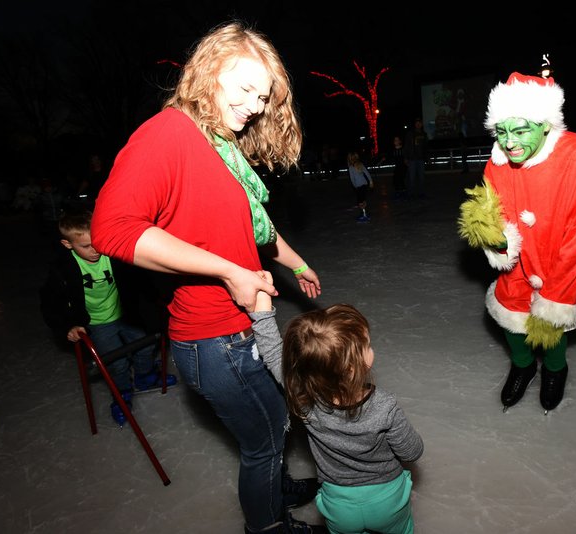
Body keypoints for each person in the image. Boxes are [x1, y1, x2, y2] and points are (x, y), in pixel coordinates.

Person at [90, 21, 324, 533]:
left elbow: (250, 225)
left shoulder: (221, 143)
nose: (256, 106)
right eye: (244, 89)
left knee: (276, 422)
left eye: (263, 96)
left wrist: (297, 263)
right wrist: (227, 271)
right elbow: (111, 230)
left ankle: (277, 489)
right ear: (209, 71)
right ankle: (268, 525)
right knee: (262, 441)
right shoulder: (170, 133)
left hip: (244, 326)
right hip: (214, 340)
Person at [457, 72, 576, 414]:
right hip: (522, 251)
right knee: (511, 307)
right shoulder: (497, 162)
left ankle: (556, 369)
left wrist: (557, 296)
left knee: (552, 317)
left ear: (545, 125)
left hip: (568, 249)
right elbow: (497, 214)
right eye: (503, 131)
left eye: (520, 130)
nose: (509, 142)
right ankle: (523, 365)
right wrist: (495, 238)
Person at [281, 304, 424, 534]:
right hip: (387, 501)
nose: (371, 348)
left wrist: (262, 315)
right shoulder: (384, 406)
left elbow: (274, 359)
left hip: (338, 503)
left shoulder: (305, 403)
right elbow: (412, 452)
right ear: (351, 368)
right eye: (366, 345)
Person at [39, 208, 178, 428]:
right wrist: (67, 325)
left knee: (145, 345)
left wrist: (156, 300)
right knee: (116, 362)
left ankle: (144, 376)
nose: (95, 249)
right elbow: (50, 303)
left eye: (98, 241)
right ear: (68, 245)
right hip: (96, 323)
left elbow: (140, 279)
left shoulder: (112, 254)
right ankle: (121, 393)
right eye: (85, 246)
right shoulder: (61, 270)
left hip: (126, 313)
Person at [403, 117, 428, 199]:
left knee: (422, 177)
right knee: (412, 178)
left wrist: (427, 157)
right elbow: (406, 146)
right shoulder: (410, 133)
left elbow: (426, 147)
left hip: (421, 159)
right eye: (417, 122)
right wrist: (406, 158)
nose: (418, 124)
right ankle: (411, 194)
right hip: (412, 159)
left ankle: (422, 193)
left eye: (419, 122)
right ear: (415, 124)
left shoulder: (424, 134)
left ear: (421, 124)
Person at [346, 151, 374, 222]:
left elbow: (352, 179)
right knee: (362, 199)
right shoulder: (360, 164)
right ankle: (365, 212)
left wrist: (355, 186)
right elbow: (367, 173)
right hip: (364, 185)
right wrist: (370, 181)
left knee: (360, 201)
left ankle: (364, 214)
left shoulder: (351, 167)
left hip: (359, 186)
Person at [387, 135, 408, 200]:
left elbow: (407, 157)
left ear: (400, 141)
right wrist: (382, 160)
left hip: (403, 167)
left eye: (397, 140)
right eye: (395, 140)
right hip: (397, 167)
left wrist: (407, 162)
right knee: (395, 180)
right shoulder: (393, 150)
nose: (395, 141)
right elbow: (388, 156)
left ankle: (403, 193)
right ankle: (398, 192)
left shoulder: (403, 149)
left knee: (401, 179)